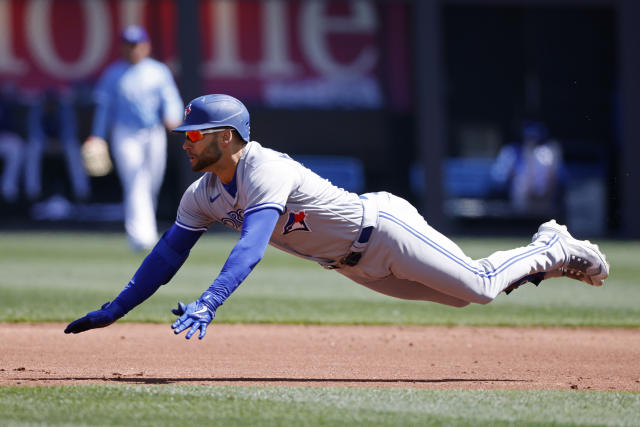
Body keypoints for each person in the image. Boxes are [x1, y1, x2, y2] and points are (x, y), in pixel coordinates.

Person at [65, 94, 610, 340]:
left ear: (226, 138)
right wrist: (115, 310)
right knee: (466, 295)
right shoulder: (200, 194)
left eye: (194, 136)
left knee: (482, 286)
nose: (185, 144)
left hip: (386, 231)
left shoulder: (264, 168)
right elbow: (166, 255)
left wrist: (210, 302)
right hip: (353, 265)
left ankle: (551, 241)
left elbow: (251, 245)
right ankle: (548, 263)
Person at [83, 25, 183, 251]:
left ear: (146, 46)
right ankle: (141, 237)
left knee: (152, 181)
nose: (133, 49)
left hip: (153, 131)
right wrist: (97, 136)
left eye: (137, 44)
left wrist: (172, 117)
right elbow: (104, 109)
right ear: (122, 48)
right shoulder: (113, 74)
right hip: (125, 132)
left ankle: (145, 230)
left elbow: (171, 100)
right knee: (135, 179)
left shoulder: (158, 71)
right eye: (128, 45)